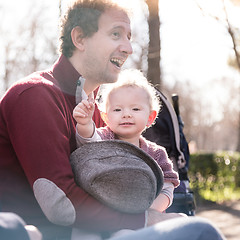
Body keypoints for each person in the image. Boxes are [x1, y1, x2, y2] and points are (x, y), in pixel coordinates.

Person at [0, 0, 226, 239]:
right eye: (116, 34)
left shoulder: (97, 111)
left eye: (129, 36)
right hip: (49, 234)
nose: (128, 48)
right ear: (79, 38)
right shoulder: (36, 96)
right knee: (202, 231)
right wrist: (147, 220)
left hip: (101, 232)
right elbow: (60, 205)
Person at [73, 68, 180, 214]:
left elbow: (167, 189)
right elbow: (88, 141)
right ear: (105, 117)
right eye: (117, 110)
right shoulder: (103, 139)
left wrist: (149, 214)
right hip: (105, 210)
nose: (126, 115)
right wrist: (85, 124)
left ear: (150, 117)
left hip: (145, 212)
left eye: (135, 109)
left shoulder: (156, 154)